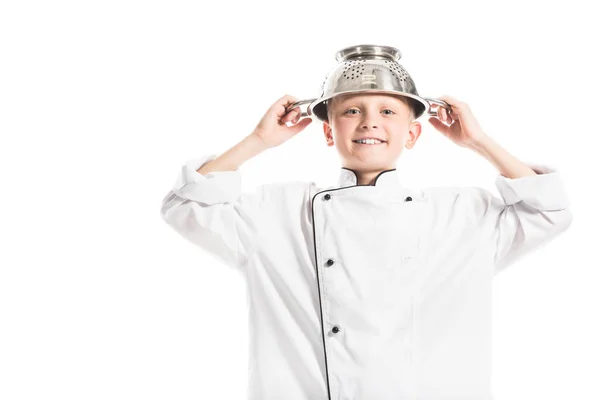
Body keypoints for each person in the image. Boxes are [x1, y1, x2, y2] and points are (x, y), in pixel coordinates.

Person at [160, 92, 573, 400]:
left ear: (413, 134)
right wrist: (258, 141)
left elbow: (548, 211)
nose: (369, 123)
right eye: (351, 111)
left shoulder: (460, 215)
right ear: (328, 130)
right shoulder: (278, 213)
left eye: (388, 112)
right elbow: (185, 205)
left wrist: (479, 141)